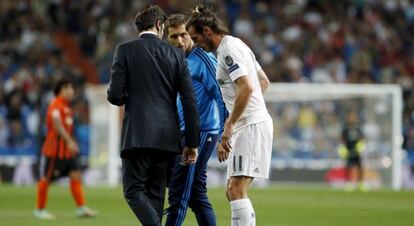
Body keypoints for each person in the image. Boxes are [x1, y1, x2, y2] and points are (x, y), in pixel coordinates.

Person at [107, 5, 200, 226]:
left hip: (137, 134)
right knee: (157, 195)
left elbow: (115, 96)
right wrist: (192, 143)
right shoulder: (176, 54)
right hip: (167, 138)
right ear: (159, 25)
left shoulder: (125, 50)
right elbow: (189, 100)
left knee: (133, 191)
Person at [187, 5, 273, 226]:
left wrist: (230, 124)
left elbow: (246, 87)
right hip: (250, 123)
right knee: (232, 190)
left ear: (207, 30)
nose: (195, 43)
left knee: (236, 189)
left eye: (195, 37)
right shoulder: (238, 44)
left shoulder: (228, 50)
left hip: (250, 126)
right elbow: (263, 81)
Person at [164, 14, 227, 226]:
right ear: (167, 37)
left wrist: (224, 133)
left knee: (179, 194)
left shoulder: (203, 59)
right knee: (196, 196)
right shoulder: (176, 59)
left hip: (201, 133)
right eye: (174, 36)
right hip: (182, 132)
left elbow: (220, 95)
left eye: (183, 35)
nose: (180, 41)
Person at [34, 78, 97, 220]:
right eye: (67, 88)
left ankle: (81, 208)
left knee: (75, 174)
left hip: (66, 151)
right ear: (60, 90)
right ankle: (39, 210)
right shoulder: (55, 104)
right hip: (54, 151)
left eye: (71, 88)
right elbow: (57, 125)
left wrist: (71, 142)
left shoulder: (67, 106)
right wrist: (70, 141)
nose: (70, 91)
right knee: (46, 178)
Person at [338, 110, 366, 191]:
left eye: (353, 116)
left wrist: (360, 145)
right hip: (348, 150)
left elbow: (362, 138)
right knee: (348, 167)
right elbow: (342, 139)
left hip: (357, 150)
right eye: (350, 116)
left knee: (360, 167)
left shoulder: (357, 128)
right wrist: (343, 147)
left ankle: (360, 184)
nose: (351, 118)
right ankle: (348, 183)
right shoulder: (345, 128)